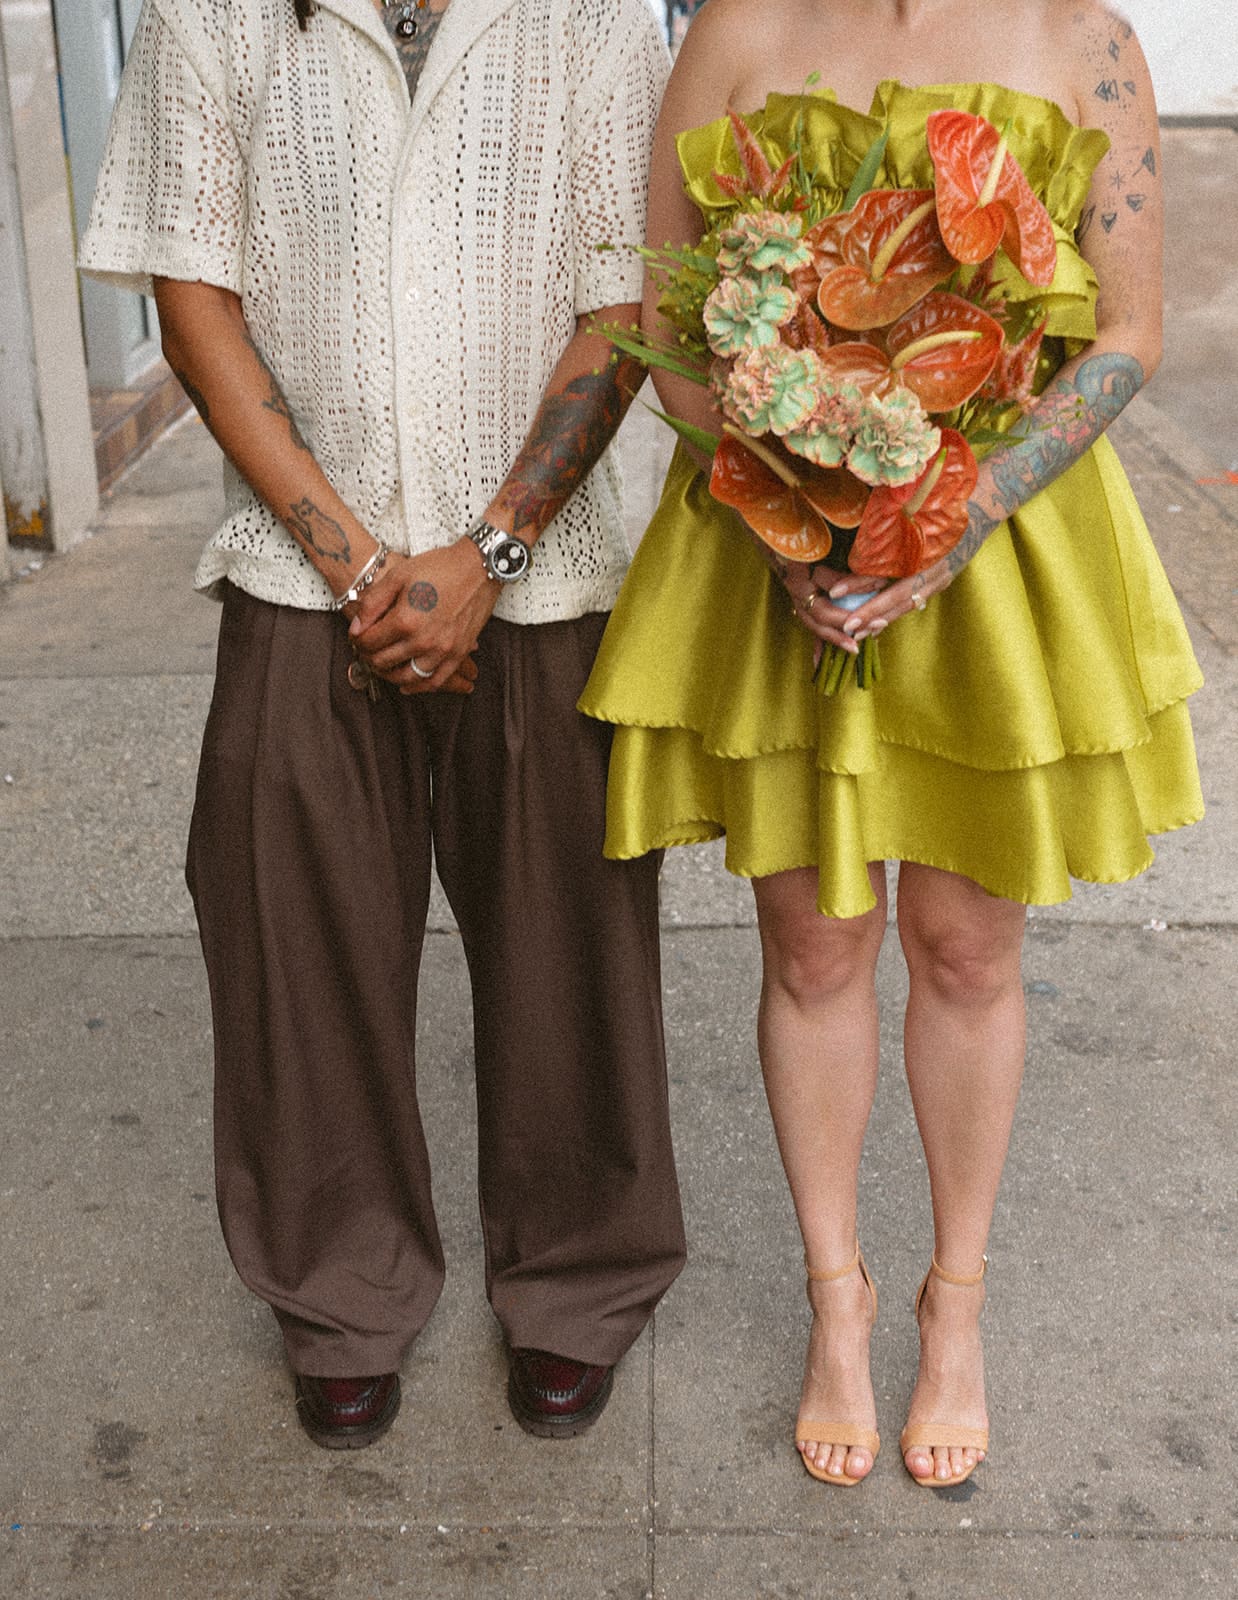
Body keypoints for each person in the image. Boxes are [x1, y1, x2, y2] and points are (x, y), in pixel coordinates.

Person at [580, 0, 1204, 1488]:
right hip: (775, 552)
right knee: (811, 946)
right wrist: (785, 510)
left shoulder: (1082, 39)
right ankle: (837, 1303)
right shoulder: (733, 26)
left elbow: (1122, 336)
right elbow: (670, 333)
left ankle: (954, 1308)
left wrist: (948, 516)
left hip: (997, 554)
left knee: (967, 948)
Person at [80, 0, 685, 1449]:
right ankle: (341, 1292)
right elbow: (193, 293)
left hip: (536, 578)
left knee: (572, 947)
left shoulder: (590, 13)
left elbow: (627, 297)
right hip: (305, 578)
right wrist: (358, 562)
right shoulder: (210, 12)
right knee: (291, 936)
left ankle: (576, 1282)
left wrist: (490, 551)